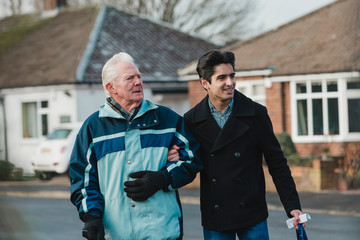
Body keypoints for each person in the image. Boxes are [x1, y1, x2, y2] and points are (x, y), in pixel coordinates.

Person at [170, 50, 303, 240]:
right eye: (222, 77)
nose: (230, 82)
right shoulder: (191, 120)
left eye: (232, 76)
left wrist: (292, 206)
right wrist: (176, 156)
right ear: (205, 83)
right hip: (216, 215)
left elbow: (277, 163)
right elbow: (191, 163)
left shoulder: (256, 114)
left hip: (252, 212)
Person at [69, 52, 202, 240]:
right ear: (111, 87)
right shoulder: (93, 128)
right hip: (116, 233)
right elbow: (83, 180)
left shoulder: (167, 119)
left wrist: (162, 178)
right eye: (129, 78)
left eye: (139, 76)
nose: (138, 82)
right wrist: (92, 217)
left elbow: (193, 158)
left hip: (162, 231)